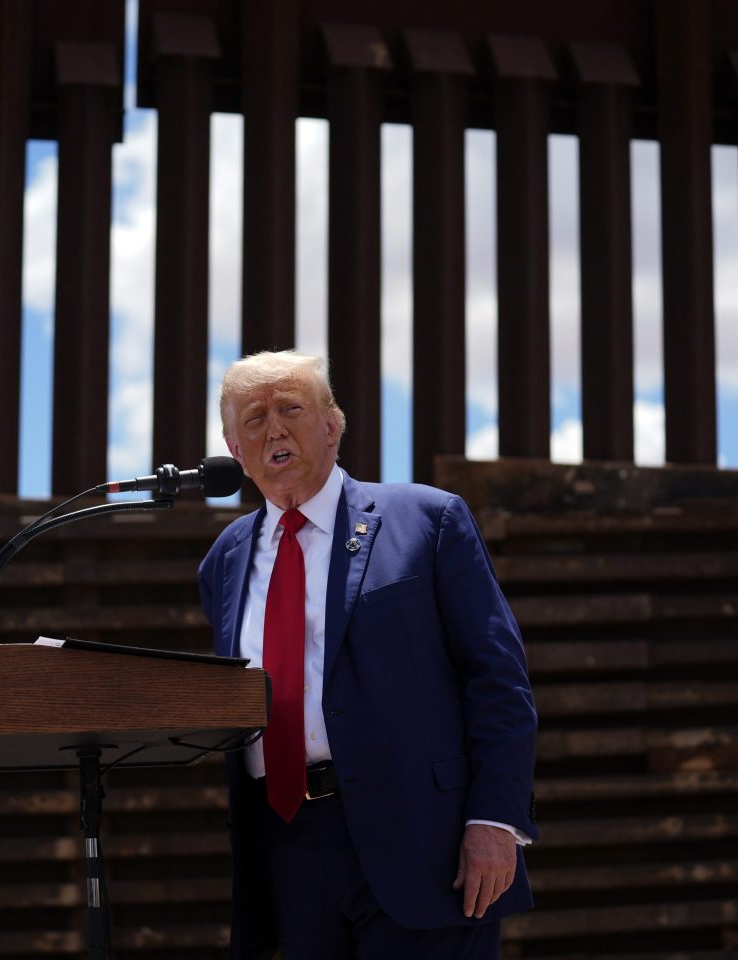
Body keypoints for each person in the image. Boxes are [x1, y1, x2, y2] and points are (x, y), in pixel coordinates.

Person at [198, 350, 538, 959]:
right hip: (287, 847)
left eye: (291, 409)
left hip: (424, 843)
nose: (273, 428)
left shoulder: (427, 521)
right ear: (233, 447)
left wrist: (495, 820)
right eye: (253, 419)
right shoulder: (224, 559)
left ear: (332, 425)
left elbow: (497, 679)